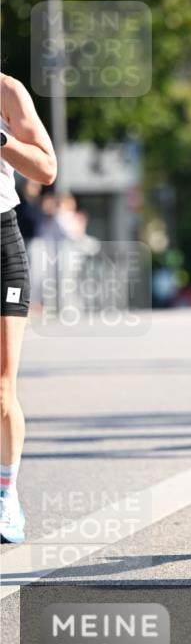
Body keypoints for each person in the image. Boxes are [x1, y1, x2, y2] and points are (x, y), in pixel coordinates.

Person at [0, 72, 57, 542]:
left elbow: (46, 169)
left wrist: (0, 138)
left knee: (1, 387)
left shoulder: (7, 92)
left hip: (1, 242)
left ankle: (6, 494)